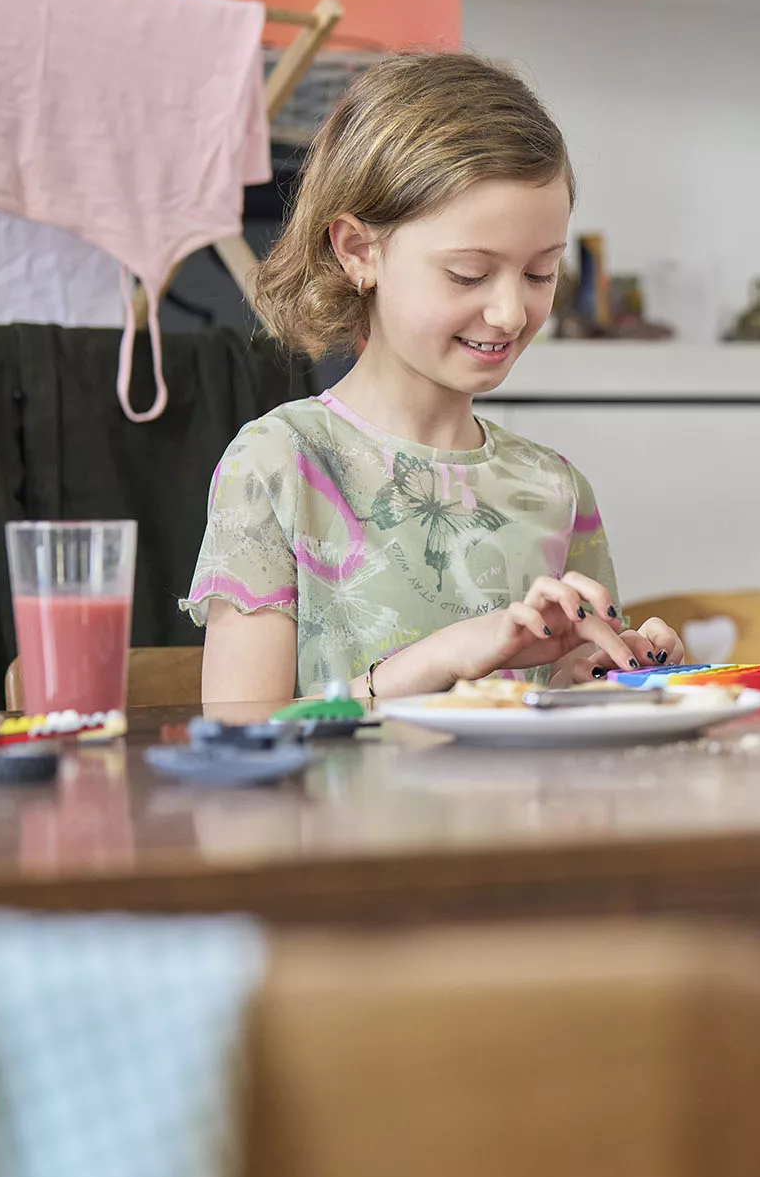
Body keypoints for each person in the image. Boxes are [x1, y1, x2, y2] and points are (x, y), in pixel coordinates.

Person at [187, 51, 682, 704]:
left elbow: (560, 716)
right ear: (360, 251)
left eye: (540, 273)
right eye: (469, 274)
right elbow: (236, 745)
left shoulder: (557, 489)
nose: (510, 311)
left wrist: (605, 678)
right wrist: (439, 660)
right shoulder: (278, 465)